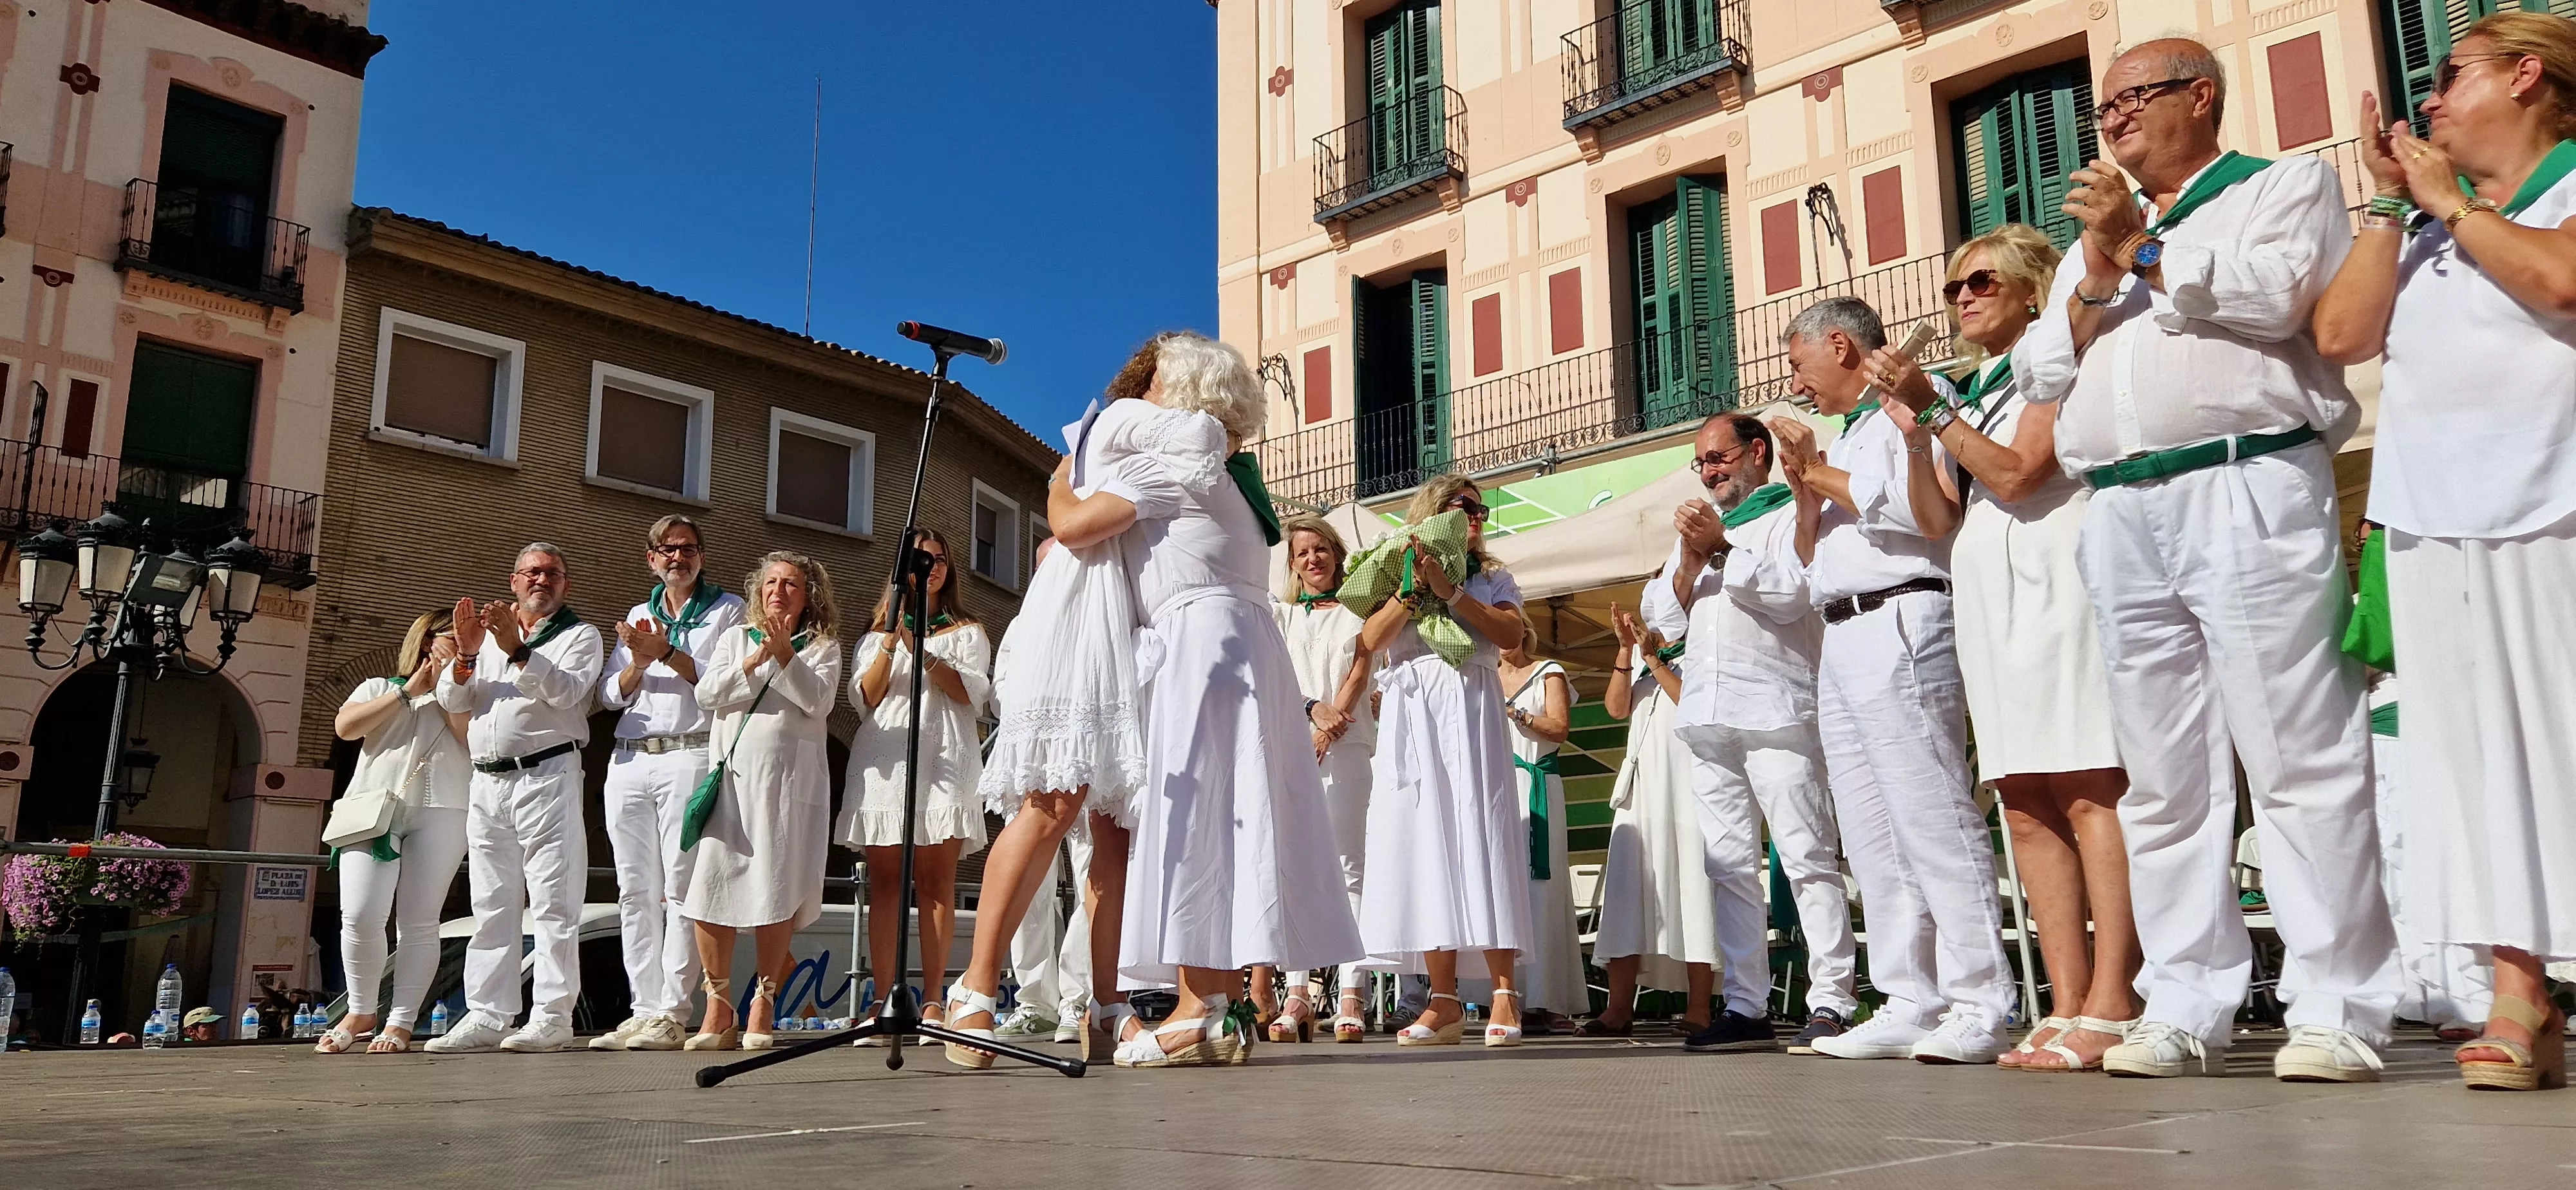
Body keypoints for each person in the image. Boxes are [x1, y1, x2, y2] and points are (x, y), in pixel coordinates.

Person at [2036, 37, 2400, 1081]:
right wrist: (2102, 272)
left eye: (2130, 100)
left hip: (2246, 479)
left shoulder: (2281, 184)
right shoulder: (2102, 230)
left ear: (2200, 98)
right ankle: (2186, 999)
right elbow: (2051, 363)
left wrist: (2144, 252)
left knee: (2298, 753)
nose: (2109, 123)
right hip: (2122, 506)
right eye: (2100, 110)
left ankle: (2339, 1004)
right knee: (2162, 779)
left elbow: (2282, 297)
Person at [2310, 12, 2576, 1090]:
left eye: (2448, 72)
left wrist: (2452, 206)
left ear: (2526, 76)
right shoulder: (2421, 225)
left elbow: (2562, 285)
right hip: (2432, 519)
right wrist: (2389, 203)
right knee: (2470, 765)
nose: (2426, 97)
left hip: (2555, 501)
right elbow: (2341, 336)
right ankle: (2520, 990)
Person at [1877, 225, 2141, 1072]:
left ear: (2033, 288)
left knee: (2090, 783)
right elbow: (1936, 516)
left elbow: (2021, 470)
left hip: (2060, 568)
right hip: (1988, 586)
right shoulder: (1979, 383)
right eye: (1955, 286)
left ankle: (2116, 995)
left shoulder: (2054, 355)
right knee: (2024, 796)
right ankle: (2066, 1000)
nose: (1962, 297)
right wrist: (1920, 431)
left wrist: (1938, 408)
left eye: (1981, 280)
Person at [1770, 297, 2014, 1065]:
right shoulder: (1850, 436)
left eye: (1798, 364)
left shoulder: (1915, 402)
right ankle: (1911, 995)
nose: (1796, 383)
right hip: (1841, 634)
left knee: (1932, 815)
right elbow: (1808, 556)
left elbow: (1925, 517)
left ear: (1839, 346)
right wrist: (1806, 487)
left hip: (1902, 617)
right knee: (1873, 833)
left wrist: (1816, 471)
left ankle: (1980, 998)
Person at [945, 341, 1183, 1068]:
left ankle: (1104, 1003)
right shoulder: (1114, 436)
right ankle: (975, 990)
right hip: (1082, 619)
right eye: (1173, 383)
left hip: (1131, 630)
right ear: (1143, 386)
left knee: (1116, 830)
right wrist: (1060, 492)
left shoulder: (1157, 450)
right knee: (1051, 802)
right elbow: (1070, 527)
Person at [1640, 411, 1856, 1055]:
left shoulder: (1794, 510)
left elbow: (1792, 594)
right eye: (1701, 463)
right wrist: (1692, 558)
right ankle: (1744, 1004)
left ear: (1755, 452)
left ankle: (1832, 1000)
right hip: (1708, 720)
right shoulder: (1702, 532)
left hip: (1777, 711)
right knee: (1728, 868)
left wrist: (1722, 550)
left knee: (1806, 857)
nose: (1709, 472)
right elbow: (1662, 621)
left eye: (1718, 458)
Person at [1356, 475, 1533, 1048]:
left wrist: (1452, 593)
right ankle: (1443, 1000)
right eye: (1468, 507)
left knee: (1482, 834)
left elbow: (1510, 635)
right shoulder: (1396, 570)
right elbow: (1371, 640)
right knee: (1424, 841)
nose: (1479, 516)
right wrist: (1413, 590)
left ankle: (1504, 991)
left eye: (1484, 508)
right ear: (1437, 512)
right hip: (1413, 712)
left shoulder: (1491, 577)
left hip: (1470, 701)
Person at [424, 545, 604, 1055]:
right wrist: (465, 653)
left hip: (546, 774)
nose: (541, 580)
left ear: (565, 585)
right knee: (491, 903)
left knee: (553, 901)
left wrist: (516, 648)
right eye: (532, 573)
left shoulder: (579, 635)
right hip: (488, 781)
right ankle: (488, 1013)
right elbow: (452, 700)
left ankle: (551, 1015)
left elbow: (568, 694)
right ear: (514, 581)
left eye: (552, 574)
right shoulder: (482, 639)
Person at [589, 515, 746, 1053]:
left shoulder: (729, 610)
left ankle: (675, 1010)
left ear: (701, 555)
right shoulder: (639, 614)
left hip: (689, 752)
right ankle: (643, 1007)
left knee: (681, 887)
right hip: (630, 757)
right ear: (650, 557)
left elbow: (726, 683)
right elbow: (611, 695)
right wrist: (636, 661)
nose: (678, 558)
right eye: (668, 550)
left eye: (689, 549)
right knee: (634, 890)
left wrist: (666, 655)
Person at [680, 551, 844, 1051]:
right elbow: (707, 696)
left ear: (808, 596)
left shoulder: (822, 647)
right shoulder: (734, 639)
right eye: (771, 582)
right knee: (709, 891)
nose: (778, 591)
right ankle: (718, 1003)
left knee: (775, 889)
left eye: (791, 584)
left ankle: (764, 1002)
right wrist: (754, 658)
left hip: (788, 792)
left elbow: (819, 702)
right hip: (732, 785)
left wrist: (785, 656)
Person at [841, 529, 990, 1044]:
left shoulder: (967, 631)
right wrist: (891, 642)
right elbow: (867, 697)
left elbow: (968, 694)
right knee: (885, 886)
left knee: (935, 883)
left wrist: (921, 647)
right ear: (904, 570)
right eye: (923, 559)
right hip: (886, 761)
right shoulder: (873, 635)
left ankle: (932, 1000)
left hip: (945, 757)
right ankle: (884, 999)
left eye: (942, 559)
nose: (935, 566)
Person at [320, 609, 472, 1055]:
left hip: (445, 809)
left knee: (420, 920)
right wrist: (409, 691)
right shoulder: (378, 687)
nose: (461, 642)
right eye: (453, 636)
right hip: (374, 809)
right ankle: (362, 1009)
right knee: (361, 913)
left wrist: (449, 689)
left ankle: (402, 1020)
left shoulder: (469, 694)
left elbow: (473, 741)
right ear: (428, 641)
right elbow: (346, 728)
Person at [1255, 515, 1376, 1043]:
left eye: (1321, 549)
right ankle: (1298, 993)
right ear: (1293, 563)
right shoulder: (1280, 617)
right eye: (1302, 552)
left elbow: (1363, 671)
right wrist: (1311, 710)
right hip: (1291, 747)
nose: (1313, 559)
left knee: (1350, 868)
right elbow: (1271, 677)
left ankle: (1353, 989)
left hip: (1347, 749)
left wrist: (1331, 727)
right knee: (1297, 868)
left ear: (1337, 553)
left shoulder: (1359, 611)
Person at [1584, 609, 1719, 1039]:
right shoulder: (1639, 660)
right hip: (1642, 792)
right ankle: (1618, 1009)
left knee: (1694, 891)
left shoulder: (1703, 652)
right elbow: (1615, 707)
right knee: (1627, 895)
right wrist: (1627, 652)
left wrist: (1657, 661)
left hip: (1687, 789)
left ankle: (1699, 1009)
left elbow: (1695, 704)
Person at [1497, 623, 1582, 1035]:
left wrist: (1515, 712)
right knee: (1504, 890)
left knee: (1543, 893)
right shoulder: (1480, 675)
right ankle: (1506, 998)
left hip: (1537, 784)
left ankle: (1549, 1001)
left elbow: (1559, 729)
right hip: (1497, 789)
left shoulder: (1549, 670)